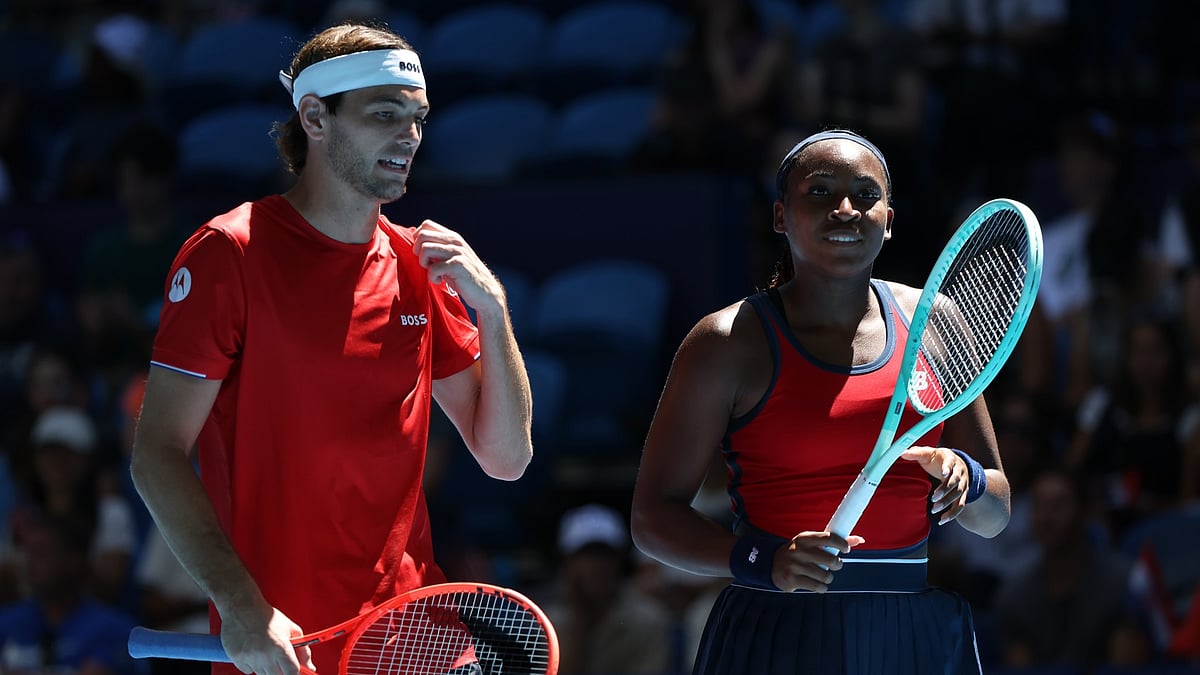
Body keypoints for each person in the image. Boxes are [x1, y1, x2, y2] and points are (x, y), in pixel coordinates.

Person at [128, 21, 534, 675]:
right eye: (385, 115)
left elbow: (507, 457)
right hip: (279, 647)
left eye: (418, 118)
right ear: (314, 118)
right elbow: (157, 454)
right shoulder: (228, 253)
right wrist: (244, 608)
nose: (409, 137)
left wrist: (493, 308)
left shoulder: (414, 264)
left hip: (415, 636)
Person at [630, 129, 1011, 674]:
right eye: (821, 192)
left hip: (917, 638)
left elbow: (995, 514)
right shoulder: (725, 342)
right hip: (776, 631)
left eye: (865, 193)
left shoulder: (937, 323)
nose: (846, 208)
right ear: (781, 217)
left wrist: (966, 477)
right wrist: (766, 561)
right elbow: (652, 519)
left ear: (890, 219)